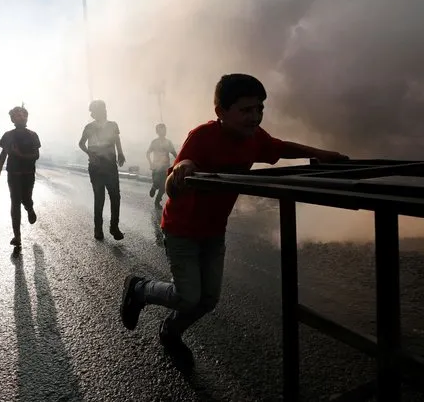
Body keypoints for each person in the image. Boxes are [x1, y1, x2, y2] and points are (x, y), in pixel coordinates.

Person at [119, 73, 349, 371]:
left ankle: (170, 332)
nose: (255, 117)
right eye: (246, 110)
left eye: (259, 109)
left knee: (208, 300)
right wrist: (185, 168)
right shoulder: (202, 136)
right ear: (221, 112)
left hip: (214, 232)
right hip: (182, 231)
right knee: (187, 296)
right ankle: (140, 289)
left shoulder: (254, 139)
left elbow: (282, 148)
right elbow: (173, 182)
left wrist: (320, 154)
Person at [0, 105, 41, 247]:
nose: (21, 117)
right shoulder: (8, 135)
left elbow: (36, 155)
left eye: (23, 115)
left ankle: (30, 209)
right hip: (14, 174)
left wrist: (20, 155)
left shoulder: (33, 135)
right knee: (15, 202)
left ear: (27, 117)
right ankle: (17, 236)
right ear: (12, 119)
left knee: (26, 199)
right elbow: (3, 154)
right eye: (17, 115)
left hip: (28, 173)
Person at [79, 99, 126, 241]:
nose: (93, 113)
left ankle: (114, 227)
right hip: (96, 166)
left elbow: (117, 140)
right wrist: (89, 153)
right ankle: (98, 229)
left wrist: (121, 153)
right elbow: (81, 143)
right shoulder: (89, 127)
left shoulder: (113, 125)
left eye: (95, 110)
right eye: (92, 111)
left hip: (110, 164)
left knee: (115, 196)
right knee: (99, 197)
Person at [146, 123, 178, 209]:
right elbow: (148, 153)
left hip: (165, 167)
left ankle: (157, 201)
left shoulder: (168, 142)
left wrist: (178, 161)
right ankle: (154, 187)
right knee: (156, 182)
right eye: (161, 130)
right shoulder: (154, 142)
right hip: (156, 167)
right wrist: (150, 163)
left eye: (165, 129)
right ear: (157, 131)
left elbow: (174, 153)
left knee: (164, 187)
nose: (164, 131)